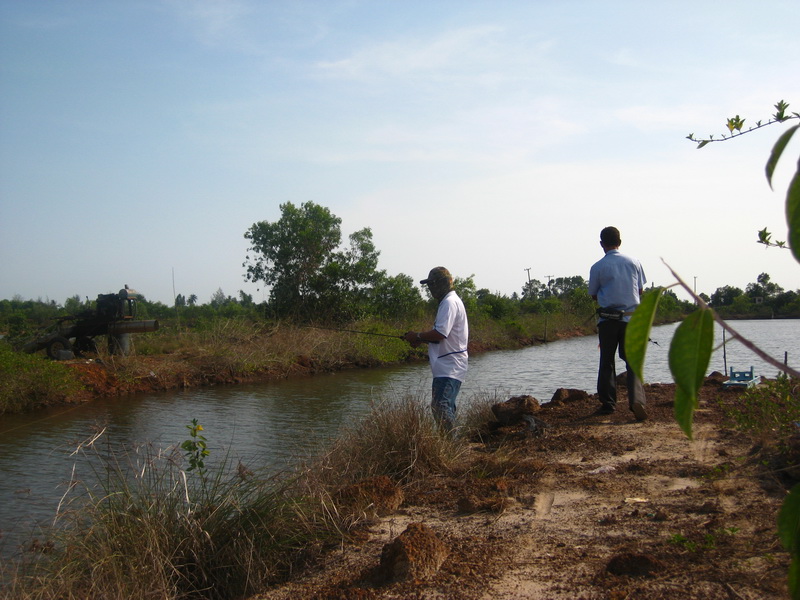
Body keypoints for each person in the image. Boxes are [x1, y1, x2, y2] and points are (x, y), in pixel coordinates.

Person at [588, 226, 648, 421]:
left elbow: (594, 295)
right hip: (631, 319)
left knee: (607, 361)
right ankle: (637, 400)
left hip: (608, 321)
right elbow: (639, 291)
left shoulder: (597, 267)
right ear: (619, 242)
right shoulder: (634, 262)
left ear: (601, 244)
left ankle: (608, 404)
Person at [404, 267, 469, 433]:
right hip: (446, 366)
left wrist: (417, 336)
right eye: (429, 285)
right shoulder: (449, 301)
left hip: (450, 367)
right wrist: (421, 340)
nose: (430, 288)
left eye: (432, 284)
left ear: (442, 283)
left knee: (440, 406)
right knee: (444, 406)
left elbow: (440, 333)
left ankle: (452, 446)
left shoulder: (449, 302)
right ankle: (452, 445)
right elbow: (444, 337)